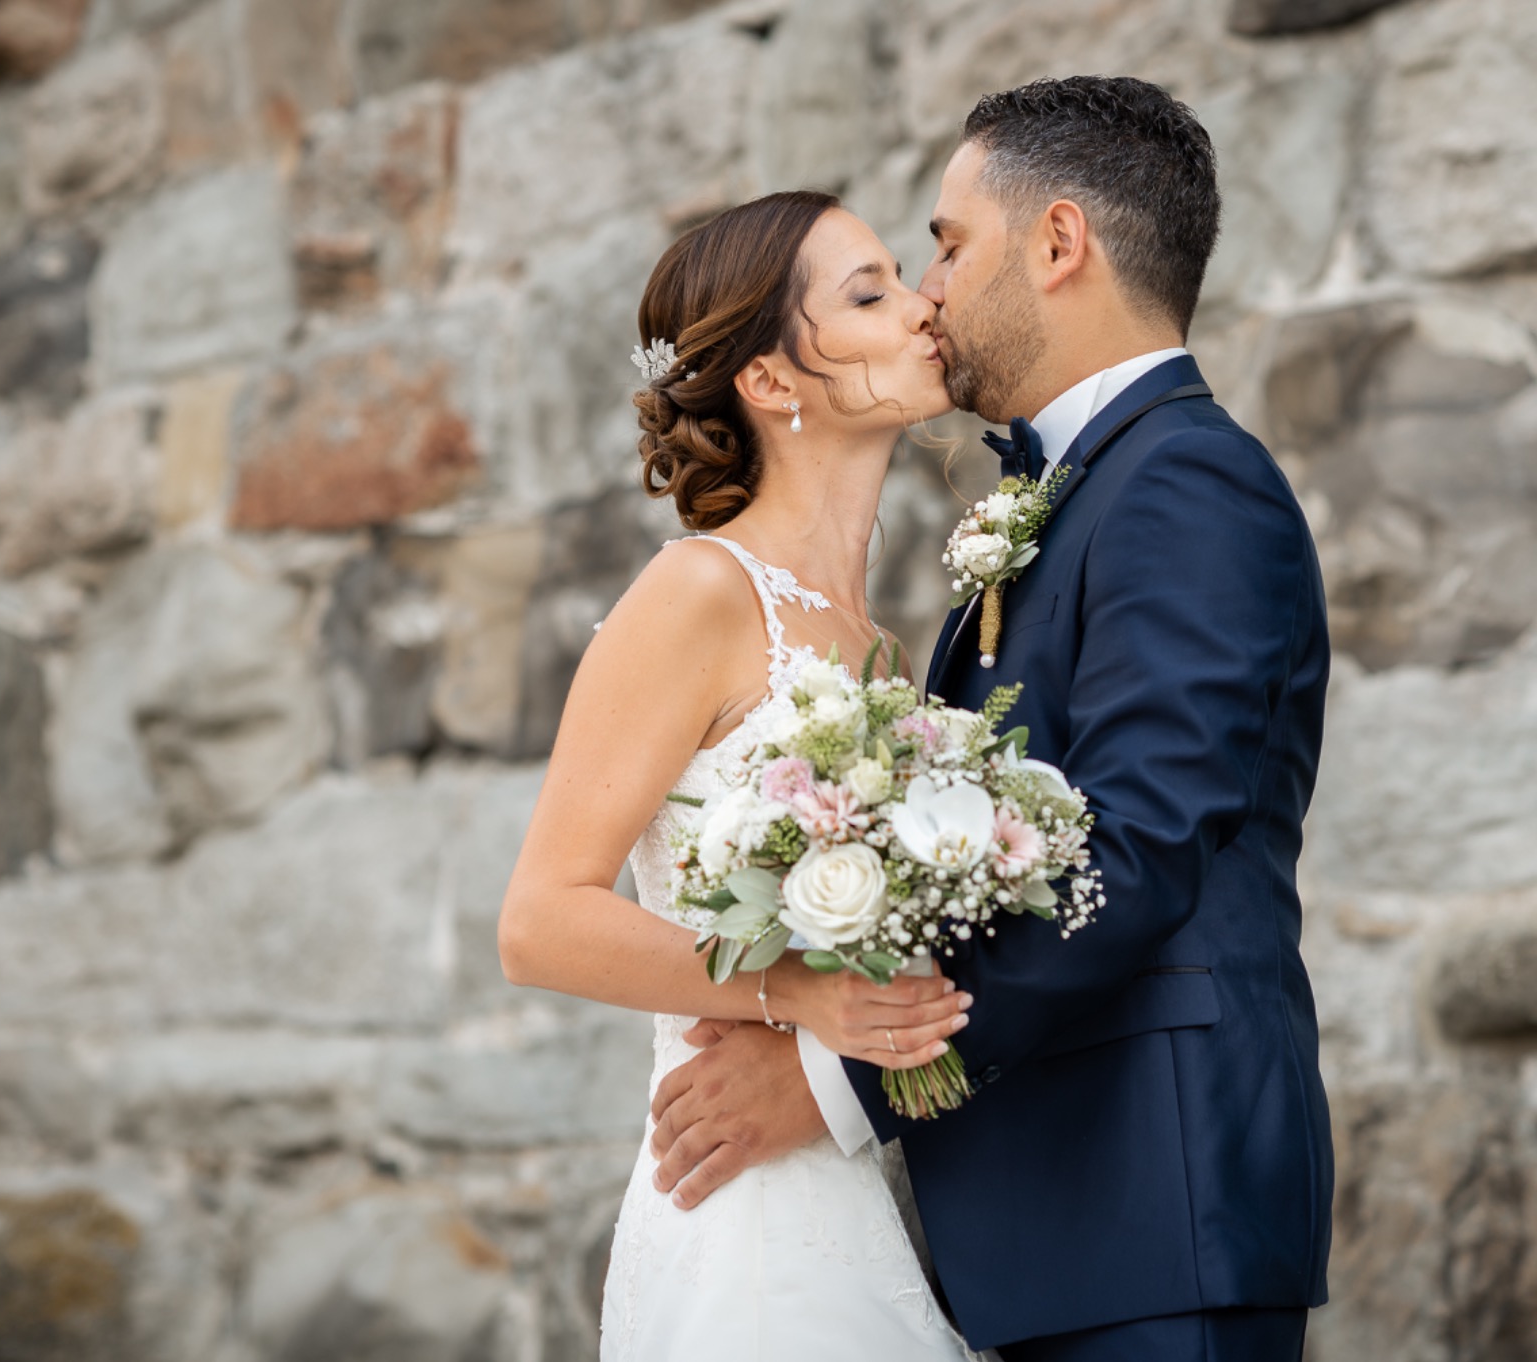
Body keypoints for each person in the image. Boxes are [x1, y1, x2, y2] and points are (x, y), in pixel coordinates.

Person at [644, 77, 1335, 1362]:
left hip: (1148, 1210)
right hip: (1047, 1233)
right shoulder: (1071, 495)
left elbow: (1135, 852)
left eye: (950, 246)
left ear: (1058, 242)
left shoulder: (1183, 481)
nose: (930, 292)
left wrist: (840, 1076)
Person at [497, 189, 981, 1360]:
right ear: (768, 379)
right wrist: (793, 994)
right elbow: (538, 922)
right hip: (742, 1213)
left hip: (851, 1184)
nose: (920, 306)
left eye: (899, 278)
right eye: (867, 295)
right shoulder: (700, 593)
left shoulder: (881, 650)